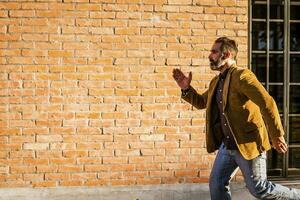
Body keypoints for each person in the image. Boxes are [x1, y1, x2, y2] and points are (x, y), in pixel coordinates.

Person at [172, 37, 300, 199]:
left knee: (259, 189)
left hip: (248, 144)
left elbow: (267, 103)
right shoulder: (216, 82)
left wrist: (276, 135)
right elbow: (201, 102)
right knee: (217, 183)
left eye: (214, 52)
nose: (209, 56)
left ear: (226, 54)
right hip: (228, 146)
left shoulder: (242, 76)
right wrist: (186, 88)